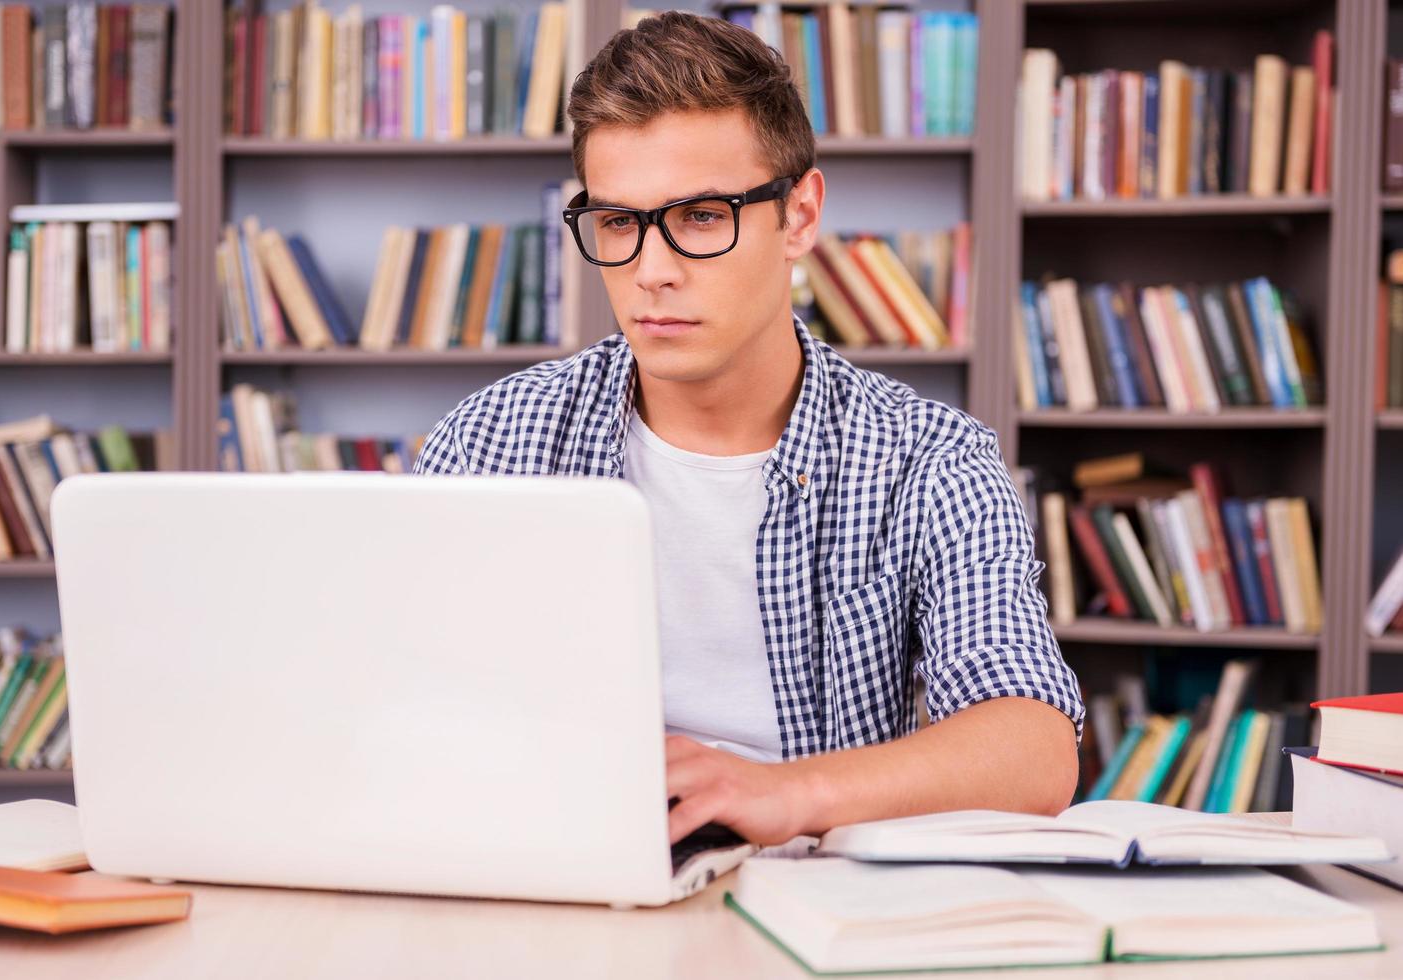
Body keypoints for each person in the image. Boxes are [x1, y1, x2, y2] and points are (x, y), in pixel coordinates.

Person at [414, 10, 1084, 846]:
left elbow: (1031, 748)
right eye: (618, 222)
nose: (651, 273)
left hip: (817, 893)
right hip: (557, 872)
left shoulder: (928, 458)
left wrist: (781, 794)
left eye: (699, 216)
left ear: (798, 215)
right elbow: (395, 700)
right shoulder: (489, 443)